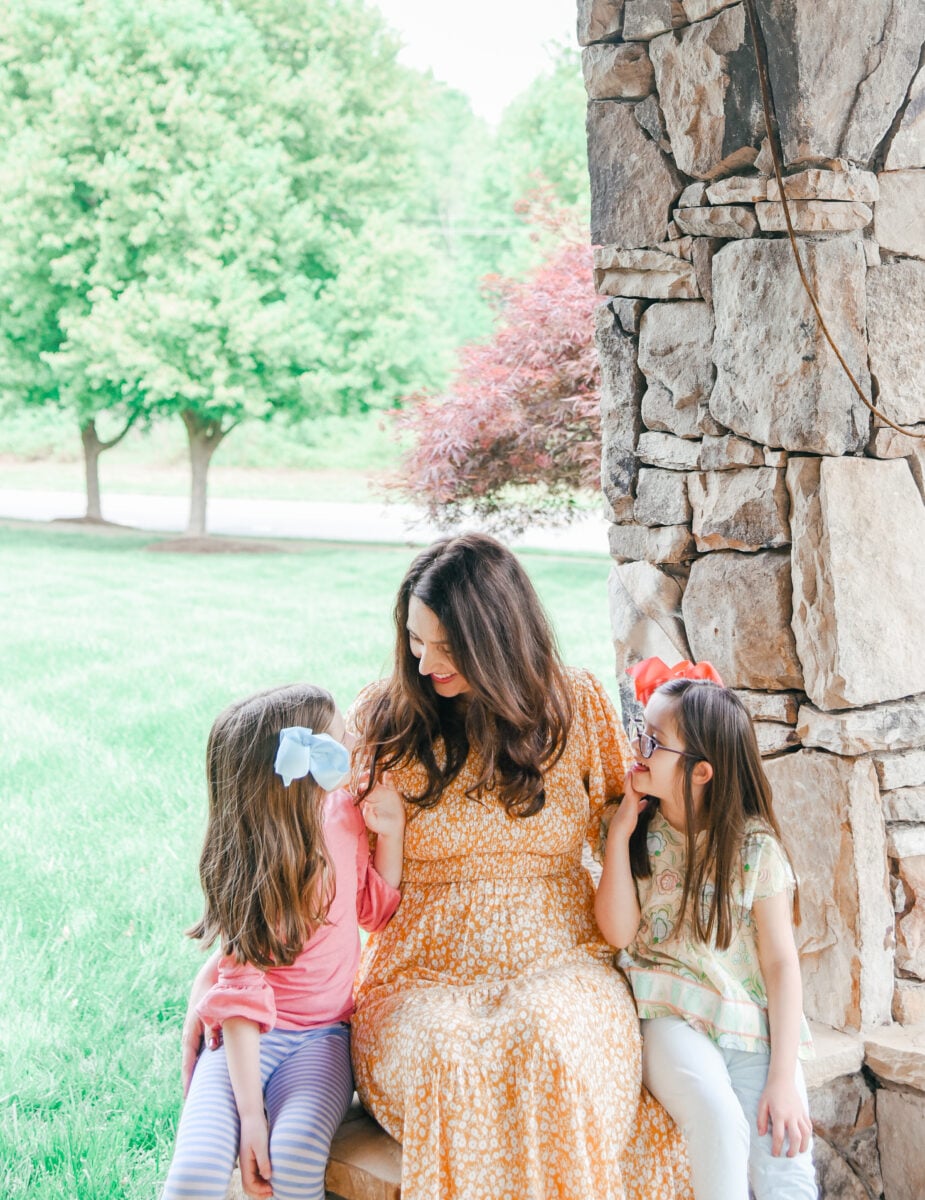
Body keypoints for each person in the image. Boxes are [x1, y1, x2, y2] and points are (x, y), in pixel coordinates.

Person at [347, 533, 691, 1200]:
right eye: (415, 639)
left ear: (498, 640)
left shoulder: (574, 704)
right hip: (419, 974)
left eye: (447, 647)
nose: (424, 662)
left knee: (548, 1042)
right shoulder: (384, 718)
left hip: (562, 961)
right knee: (449, 1059)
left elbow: (635, 834)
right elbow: (331, 875)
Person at [164, 683, 404, 1200]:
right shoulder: (254, 860)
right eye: (341, 737)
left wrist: (392, 834)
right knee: (195, 1174)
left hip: (322, 1038)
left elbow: (374, 910)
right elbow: (240, 996)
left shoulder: (345, 815)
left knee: (293, 1159)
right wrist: (251, 1116)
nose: (354, 742)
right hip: (242, 1039)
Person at [595, 657, 816, 1200]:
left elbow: (780, 965)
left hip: (748, 1021)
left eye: (654, 741)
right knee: (717, 1118)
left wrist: (783, 1078)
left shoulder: (754, 847)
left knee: (785, 1153)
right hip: (668, 1013)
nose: (637, 748)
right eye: (640, 732)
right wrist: (619, 836)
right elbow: (618, 933)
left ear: (701, 772)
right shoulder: (639, 832)